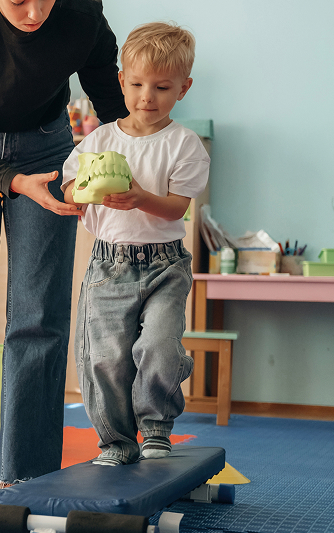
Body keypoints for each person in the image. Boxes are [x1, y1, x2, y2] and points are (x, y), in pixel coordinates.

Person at [0, 0, 128, 496]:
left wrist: (134, 171)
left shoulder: (82, 15)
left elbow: (112, 106)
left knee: (40, 314)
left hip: (49, 147)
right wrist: (16, 181)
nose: (35, 12)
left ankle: (28, 466)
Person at [61, 21, 210, 465]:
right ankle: (116, 442)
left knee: (159, 347)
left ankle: (156, 429)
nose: (148, 97)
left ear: (182, 89)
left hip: (165, 265)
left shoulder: (184, 145)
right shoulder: (100, 139)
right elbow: (69, 187)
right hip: (108, 265)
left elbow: (177, 208)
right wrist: (80, 194)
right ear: (122, 82)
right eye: (139, 84)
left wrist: (142, 198)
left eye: (162, 87)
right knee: (105, 358)